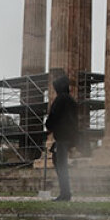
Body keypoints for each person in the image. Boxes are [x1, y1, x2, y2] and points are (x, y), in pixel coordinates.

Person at [44, 74, 79, 202]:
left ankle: (65, 194)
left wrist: (49, 125)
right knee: (57, 160)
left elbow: (53, 116)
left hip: (62, 138)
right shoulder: (71, 100)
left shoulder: (60, 99)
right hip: (69, 137)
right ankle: (65, 192)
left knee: (61, 164)